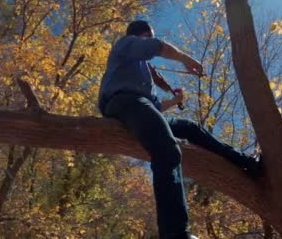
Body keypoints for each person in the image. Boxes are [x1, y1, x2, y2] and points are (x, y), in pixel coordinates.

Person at [98, 20, 262, 239]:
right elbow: (156, 47)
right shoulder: (127, 44)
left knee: (189, 127)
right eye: (149, 36)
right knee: (167, 150)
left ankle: (247, 163)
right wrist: (186, 59)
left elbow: (155, 108)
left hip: (138, 107)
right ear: (144, 34)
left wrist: (175, 101)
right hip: (123, 103)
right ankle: (175, 234)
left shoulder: (141, 74)